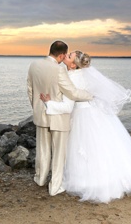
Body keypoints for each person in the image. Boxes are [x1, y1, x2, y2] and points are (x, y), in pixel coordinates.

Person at [40, 50, 131, 203]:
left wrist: (48, 103)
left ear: (73, 64)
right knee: (102, 146)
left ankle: (87, 182)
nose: (66, 55)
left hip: (81, 116)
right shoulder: (84, 75)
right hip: (96, 113)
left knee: (84, 148)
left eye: (69, 55)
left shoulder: (71, 78)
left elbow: (67, 106)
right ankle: (115, 179)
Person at [27, 41, 93, 196]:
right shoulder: (59, 71)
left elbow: (30, 89)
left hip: (41, 115)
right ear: (62, 55)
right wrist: (91, 95)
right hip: (59, 118)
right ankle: (55, 187)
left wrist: (38, 108)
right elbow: (73, 93)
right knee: (58, 154)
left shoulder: (33, 65)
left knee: (42, 150)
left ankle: (40, 178)